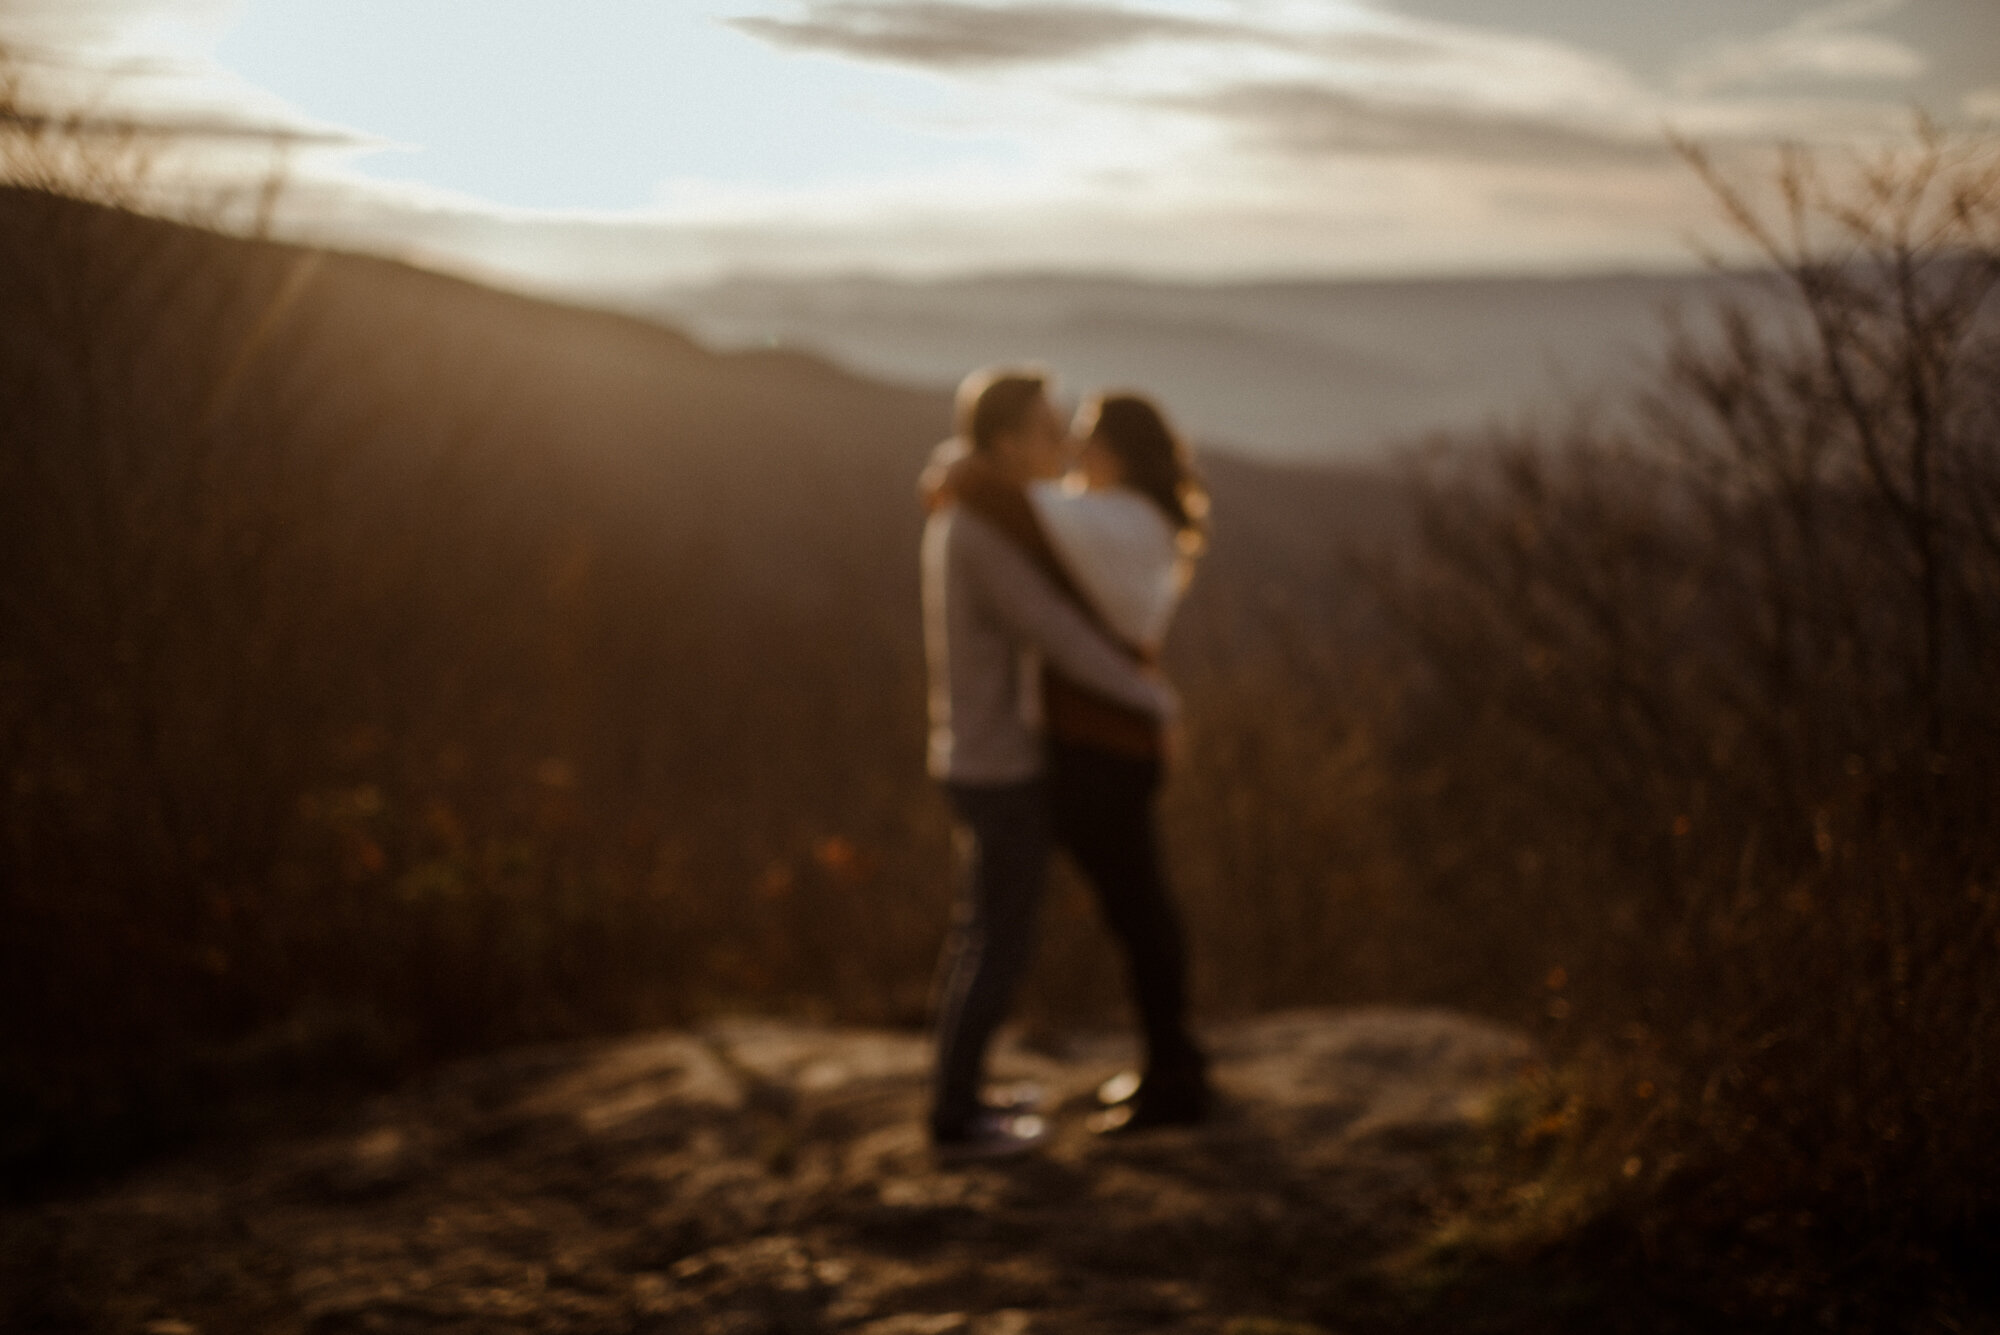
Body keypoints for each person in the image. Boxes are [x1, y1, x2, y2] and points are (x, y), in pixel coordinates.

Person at [920, 367, 1178, 1161]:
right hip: (999, 765)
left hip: (979, 754)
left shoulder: (976, 517)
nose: (1062, 443)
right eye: (1045, 429)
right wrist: (1152, 697)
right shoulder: (980, 528)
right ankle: (958, 1115)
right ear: (1003, 441)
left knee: (981, 933)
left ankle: (959, 1095)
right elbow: (1054, 630)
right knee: (997, 940)